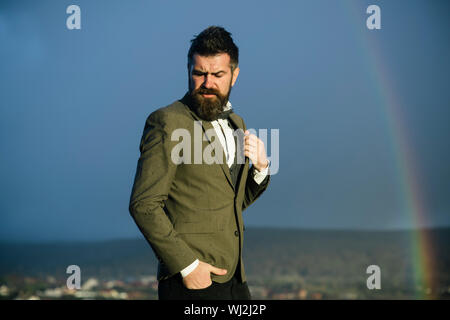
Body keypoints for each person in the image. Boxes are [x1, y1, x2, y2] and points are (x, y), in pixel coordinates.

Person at [129, 26, 270, 300]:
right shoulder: (166, 121)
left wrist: (261, 169)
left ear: (235, 75)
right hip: (191, 284)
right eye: (199, 73)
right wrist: (188, 267)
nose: (207, 83)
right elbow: (143, 205)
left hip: (236, 282)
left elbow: (230, 203)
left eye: (217, 74)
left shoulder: (237, 124)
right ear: (188, 71)